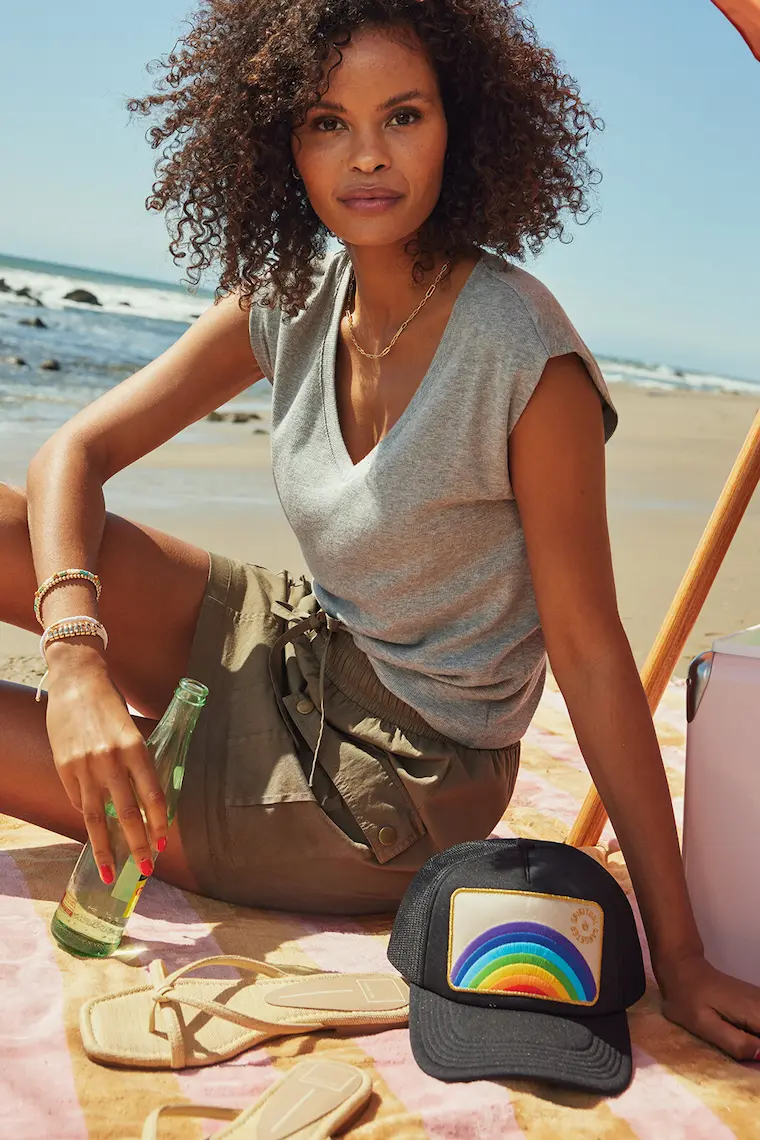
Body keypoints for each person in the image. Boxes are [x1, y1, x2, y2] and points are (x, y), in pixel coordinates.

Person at [1, 0, 759, 1063]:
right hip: (305, 644)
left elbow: (589, 655)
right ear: (279, 140)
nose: (366, 157)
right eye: (325, 121)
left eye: (402, 116)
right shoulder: (296, 293)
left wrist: (677, 956)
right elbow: (67, 455)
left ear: (463, 125)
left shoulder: (523, 359)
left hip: (399, 783)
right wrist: (77, 662)